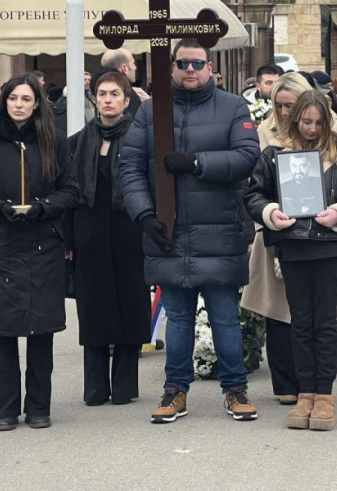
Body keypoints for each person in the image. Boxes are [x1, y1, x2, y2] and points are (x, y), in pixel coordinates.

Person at [119, 39, 260, 424]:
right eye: (183, 63)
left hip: (220, 230)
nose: (190, 69)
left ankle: (236, 390)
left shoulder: (232, 106)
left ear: (211, 68)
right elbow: (129, 166)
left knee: (225, 318)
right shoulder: (150, 112)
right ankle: (174, 391)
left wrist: (197, 162)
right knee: (178, 320)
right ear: (172, 68)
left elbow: (248, 156)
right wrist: (144, 215)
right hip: (168, 232)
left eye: (198, 63)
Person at [246, 90, 337, 431]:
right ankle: (305, 394)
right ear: (294, 118)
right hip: (292, 246)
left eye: (318, 122)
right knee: (300, 323)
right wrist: (272, 213)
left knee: (325, 323)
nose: (312, 129)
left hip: (328, 245)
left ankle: (325, 396)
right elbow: (254, 194)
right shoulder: (275, 153)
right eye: (306, 122)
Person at [0, 73, 78, 431]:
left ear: (37, 103)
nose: (19, 105)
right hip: (4, 243)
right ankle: (6, 408)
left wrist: (44, 208)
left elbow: (71, 191)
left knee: (41, 329)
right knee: (4, 329)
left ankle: (39, 406)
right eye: (13, 99)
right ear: (4, 101)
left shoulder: (54, 140)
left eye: (26, 99)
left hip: (44, 241)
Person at [67, 71, 150, 407]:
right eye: (102, 94)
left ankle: (125, 386)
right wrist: (69, 240)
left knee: (129, 304)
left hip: (128, 231)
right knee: (93, 306)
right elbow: (70, 192)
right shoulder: (78, 140)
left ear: (127, 100)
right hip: (89, 233)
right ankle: (96, 387)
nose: (108, 100)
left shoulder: (139, 138)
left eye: (115, 94)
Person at [98, 48, 149, 118]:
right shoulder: (129, 93)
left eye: (114, 94)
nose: (135, 67)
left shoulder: (94, 88)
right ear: (124, 68)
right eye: (133, 63)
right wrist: (149, 104)